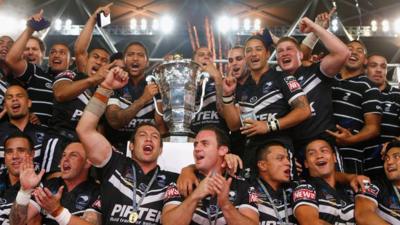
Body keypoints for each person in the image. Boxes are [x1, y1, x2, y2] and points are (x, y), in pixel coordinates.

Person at [76, 66, 178, 225]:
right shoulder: (114, 163)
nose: (149, 139)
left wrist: (189, 170)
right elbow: (84, 129)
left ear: (161, 149)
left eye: (155, 137)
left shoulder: (173, 180)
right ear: (131, 146)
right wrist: (105, 88)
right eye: (143, 135)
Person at [222, 34, 311, 177]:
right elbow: (233, 125)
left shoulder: (283, 78)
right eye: (249, 51)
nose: (254, 54)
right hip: (251, 153)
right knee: (252, 198)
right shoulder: (242, 88)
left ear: (267, 53)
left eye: (258, 49)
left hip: (280, 150)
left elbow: (304, 110)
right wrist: (226, 96)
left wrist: (269, 126)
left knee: (282, 196)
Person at [275, 15, 349, 162]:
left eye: (289, 49)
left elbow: (343, 53)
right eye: (280, 51)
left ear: (301, 54)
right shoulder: (275, 83)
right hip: (295, 152)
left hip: (323, 145)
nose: (284, 53)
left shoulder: (317, 71)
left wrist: (314, 26)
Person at [162, 125, 259, 225]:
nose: (197, 148)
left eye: (205, 144)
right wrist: (195, 195)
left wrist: (225, 204)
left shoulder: (244, 186)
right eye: (195, 144)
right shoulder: (181, 182)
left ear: (222, 150)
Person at [49, 3, 111, 133]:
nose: (99, 62)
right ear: (86, 60)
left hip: (86, 143)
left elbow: (101, 126)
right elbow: (60, 94)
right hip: (61, 138)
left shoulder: (107, 90)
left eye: (104, 61)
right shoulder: (70, 76)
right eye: (96, 57)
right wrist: (93, 19)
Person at [9, 141, 99, 225]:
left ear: (87, 163)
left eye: (73, 155)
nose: (65, 159)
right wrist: (24, 192)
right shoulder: (48, 185)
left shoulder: (97, 192)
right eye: (63, 155)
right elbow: (16, 223)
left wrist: (57, 211)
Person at [6, 10, 71, 125]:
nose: (30, 52)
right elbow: (11, 59)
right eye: (26, 49)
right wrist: (30, 28)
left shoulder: (52, 77)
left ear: (43, 54)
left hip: (53, 135)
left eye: (34, 49)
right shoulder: (32, 72)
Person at [327, 40, 382, 174]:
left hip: (350, 155)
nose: (354, 52)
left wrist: (350, 140)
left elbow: (373, 128)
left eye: (360, 50)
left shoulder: (368, 86)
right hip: (320, 150)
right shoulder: (328, 78)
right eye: (349, 48)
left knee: (350, 193)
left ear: (365, 61)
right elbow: (303, 59)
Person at [104, 41, 166, 153]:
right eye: (130, 54)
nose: (135, 58)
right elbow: (115, 121)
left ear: (147, 63)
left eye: (140, 55)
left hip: (146, 151)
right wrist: (143, 99)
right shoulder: (115, 83)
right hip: (115, 151)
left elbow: (161, 129)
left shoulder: (156, 86)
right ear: (124, 60)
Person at [292, 139, 356, 224]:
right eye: (312, 153)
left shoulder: (350, 191)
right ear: (306, 163)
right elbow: (311, 223)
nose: (319, 156)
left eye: (324, 151)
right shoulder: (305, 189)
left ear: (334, 158)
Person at [364, 54, 399, 176]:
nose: (379, 70)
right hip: (362, 167)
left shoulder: (397, 95)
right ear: (365, 69)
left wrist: (394, 143)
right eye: (373, 65)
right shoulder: (358, 95)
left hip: (392, 167)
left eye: (383, 67)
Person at [0, 85, 47, 173]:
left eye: (19, 96)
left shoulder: (45, 133)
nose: (14, 99)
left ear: (29, 103)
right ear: (5, 106)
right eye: (9, 97)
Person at [0, 132, 42, 225]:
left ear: (32, 153)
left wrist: (25, 191)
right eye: (9, 151)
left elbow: (18, 223)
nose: (15, 156)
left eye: (21, 150)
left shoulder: (41, 185)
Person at [355, 139, 400, 225]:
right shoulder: (372, 185)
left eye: (396, 157)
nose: (389, 162)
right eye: (386, 158)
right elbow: (363, 215)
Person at [190, 47, 228, 135]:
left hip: (217, 136)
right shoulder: (186, 84)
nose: (206, 57)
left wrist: (218, 79)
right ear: (193, 62)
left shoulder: (224, 81)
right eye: (201, 55)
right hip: (192, 137)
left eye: (209, 55)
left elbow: (225, 114)